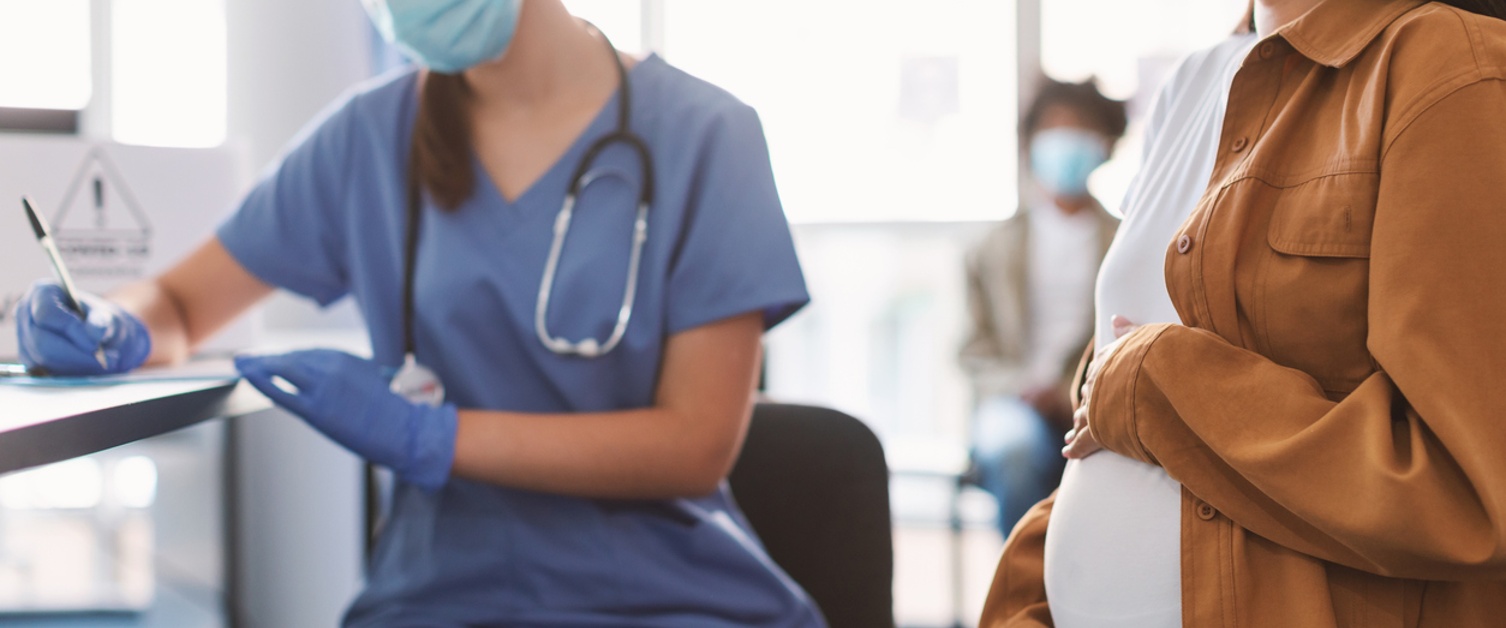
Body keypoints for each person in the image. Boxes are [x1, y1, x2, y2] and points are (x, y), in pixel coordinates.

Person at [14, 0, 826, 626]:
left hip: (667, 597)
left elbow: (695, 445)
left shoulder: (706, 136)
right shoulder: (371, 136)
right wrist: (118, 322)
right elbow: (186, 302)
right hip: (440, 597)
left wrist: (432, 438)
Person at [982, 0, 1506, 626]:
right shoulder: (1190, 83)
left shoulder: (1449, 65)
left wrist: (1164, 384)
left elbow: (1473, 490)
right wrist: (1028, 596)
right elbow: (1101, 423)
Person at [959, 77, 1124, 535]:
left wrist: (1073, 393)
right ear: (1030, 144)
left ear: (1106, 143)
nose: (1065, 141)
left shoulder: (1128, 241)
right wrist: (1024, 387)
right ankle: (1023, 593)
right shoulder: (991, 248)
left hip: (1100, 401)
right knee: (1012, 452)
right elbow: (972, 350)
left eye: (1080, 128)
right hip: (1012, 403)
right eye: (1053, 128)